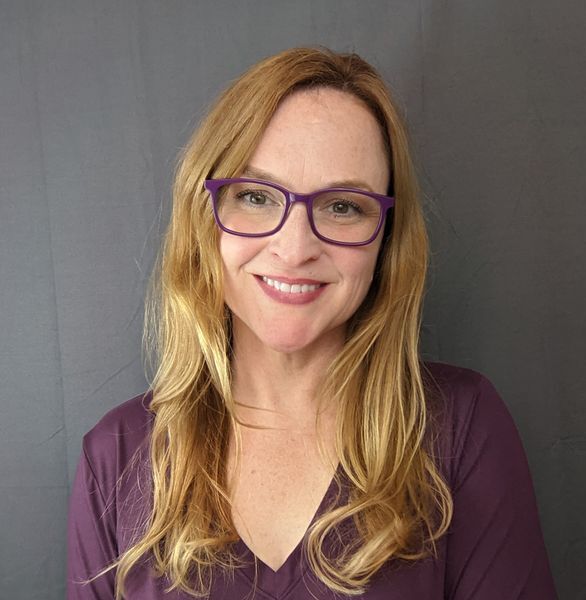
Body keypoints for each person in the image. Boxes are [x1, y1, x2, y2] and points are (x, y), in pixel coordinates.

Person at [67, 47, 557, 599]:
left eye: (343, 206)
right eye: (254, 196)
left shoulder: (460, 429)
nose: (295, 247)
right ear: (205, 221)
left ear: (386, 240)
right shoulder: (117, 458)